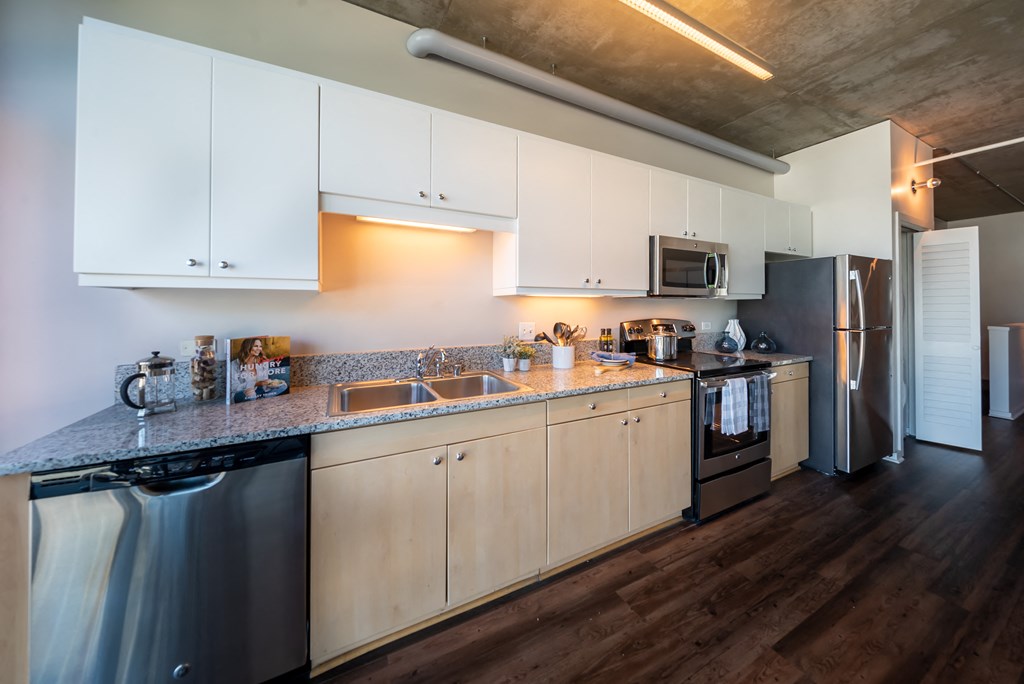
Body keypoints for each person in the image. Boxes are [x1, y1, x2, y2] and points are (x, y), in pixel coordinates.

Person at [231, 337, 271, 402]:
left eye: (260, 346)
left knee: (282, 386)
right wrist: (255, 384)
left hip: (260, 392)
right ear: (247, 347)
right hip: (242, 392)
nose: (259, 349)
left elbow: (265, 381)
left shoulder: (263, 362)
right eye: (255, 346)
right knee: (251, 393)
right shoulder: (234, 364)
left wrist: (270, 383)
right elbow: (234, 387)